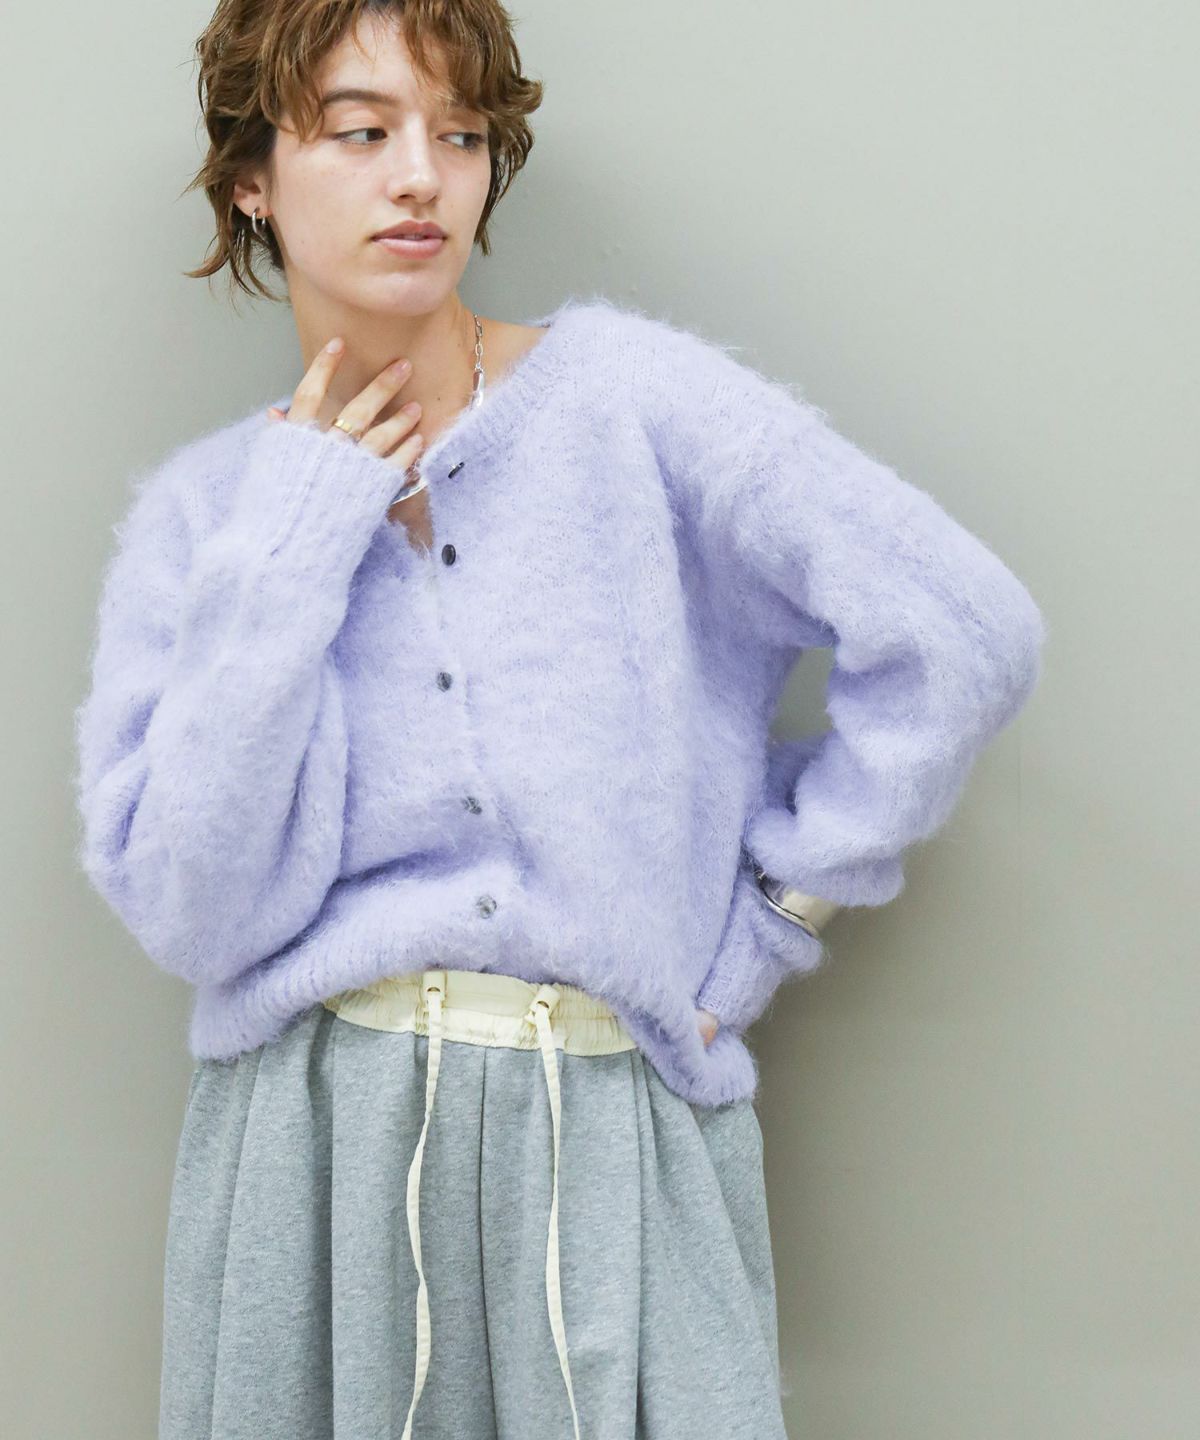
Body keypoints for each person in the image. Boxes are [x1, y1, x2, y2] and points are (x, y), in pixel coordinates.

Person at [71, 2, 1047, 1437]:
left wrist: (777, 915)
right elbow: (192, 910)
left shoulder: (633, 406)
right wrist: (292, 537)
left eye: (461, 135)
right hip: (312, 1170)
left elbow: (962, 632)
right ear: (253, 180)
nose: (422, 176)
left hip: (605, 1129)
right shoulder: (206, 519)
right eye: (361, 132)